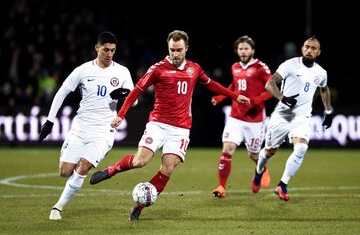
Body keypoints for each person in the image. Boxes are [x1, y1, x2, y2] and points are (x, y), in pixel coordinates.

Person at [89, 30, 250, 221]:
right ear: (168, 48)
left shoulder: (194, 69)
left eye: (179, 50)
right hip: (158, 123)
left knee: (168, 168)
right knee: (141, 161)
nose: (175, 54)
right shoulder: (158, 69)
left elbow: (211, 84)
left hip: (181, 129)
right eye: (172, 50)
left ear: (186, 48)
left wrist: (234, 95)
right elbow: (136, 91)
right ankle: (111, 170)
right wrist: (121, 114)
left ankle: (139, 205)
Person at [39, 31, 136, 220]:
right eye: (106, 50)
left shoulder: (122, 72)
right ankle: (72, 180)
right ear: (97, 48)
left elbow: (135, 101)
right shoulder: (83, 70)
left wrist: (125, 95)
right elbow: (61, 93)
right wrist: (50, 120)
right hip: (81, 127)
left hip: (104, 130)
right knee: (65, 172)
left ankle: (57, 208)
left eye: (113, 51)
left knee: (83, 167)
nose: (109, 54)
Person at [250, 36, 333, 201]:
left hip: (302, 118)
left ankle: (282, 184)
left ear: (319, 52)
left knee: (301, 148)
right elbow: (270, 84)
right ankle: (259, 171)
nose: (309, 50)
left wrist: (328, 112)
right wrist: (283, 98)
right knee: (269, 152)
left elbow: (324, 90)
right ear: (302, 48)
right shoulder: (290, 65)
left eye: (313, 48)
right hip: (282, 115)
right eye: (307, 46)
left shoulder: (321, 72)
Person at [211, 35, 273, 198]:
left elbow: (272, 89)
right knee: (227, 149)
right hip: (236, 116)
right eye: (240, 49)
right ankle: (221, 187)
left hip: (255, 118)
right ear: (236, 51)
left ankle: (262, 169)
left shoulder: (261, 68)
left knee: (253, 155)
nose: (243, 51)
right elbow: (235, 86)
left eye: (246, 48)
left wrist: (255, 101)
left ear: (252, 50)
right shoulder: (235, 67)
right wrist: (221, 96)